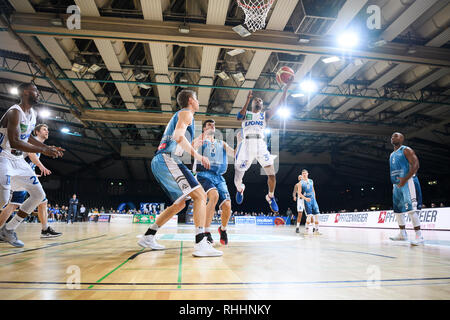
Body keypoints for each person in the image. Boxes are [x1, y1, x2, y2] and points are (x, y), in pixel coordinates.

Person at [138, 89, 222, 257]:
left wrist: (196, 143)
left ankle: (148, 235)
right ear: (191, 100)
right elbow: (178, 136)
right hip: (167, 160)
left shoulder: (182, 115)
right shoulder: (186, 113)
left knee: (180, 204)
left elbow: (179, 141)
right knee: (200, 196)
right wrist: (197, 155)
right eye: (197, 99)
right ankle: (201, 243)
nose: (198, 102)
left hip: (162, 160)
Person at [0, 82, 64, 247]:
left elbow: (27, 136)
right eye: (35, 90)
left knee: (38, 195)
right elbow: (14, 142)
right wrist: (43, 151)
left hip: (18, 161)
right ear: (24, 93)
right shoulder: (15, 112)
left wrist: (46, 147)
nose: (38, 94)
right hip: (4, 157)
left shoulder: (33, 114)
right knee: (3, 200)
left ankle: (8, 229)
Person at [234, 78, 293, 213]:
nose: (259, 101)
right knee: (238, 178)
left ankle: (270, 196)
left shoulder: (265, 115)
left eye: (260, 100)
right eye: (257, 100)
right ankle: (240, 189)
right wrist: (247, 100)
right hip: (246, 145)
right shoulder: (247, 114)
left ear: (262, 105)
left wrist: (286, 87)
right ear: (252, 103)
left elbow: (280, 105)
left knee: (272, 175)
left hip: (260, 144)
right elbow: (238, 117)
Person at [0, 124, 62, 238]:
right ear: (37, 132)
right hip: (18, 175)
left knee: (14, 205)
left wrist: (32, 173)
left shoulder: (38, 144)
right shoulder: (33, 142)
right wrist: (41, 166)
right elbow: (30, 153)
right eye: (44, 129)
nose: (47, 131)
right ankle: (44, 229)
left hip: (22, 176)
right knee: (41, 200)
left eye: (47, 129)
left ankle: (5, 230)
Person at [192, 119, 235, 245]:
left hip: (218, 176)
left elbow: (234, 153)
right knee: (214, 195)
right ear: (204, 128)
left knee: (227, 205)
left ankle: (223, 229)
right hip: (203, 174)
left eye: (213, 125)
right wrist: (203, 136)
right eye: (209, 125)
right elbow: (192, 147)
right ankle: (206, 231)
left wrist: (243, 143)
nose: (212, 126)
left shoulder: (221, 143)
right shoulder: (201, 140)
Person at [388, 132, 424, 246]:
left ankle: (419, 236)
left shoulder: (406, 150)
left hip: (408, 182)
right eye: (392, 136)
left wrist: (405, 179)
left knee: (411, 210)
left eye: (396, 135)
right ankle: (402, 234)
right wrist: (395, 184)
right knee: (398, 211)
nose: (393, 137)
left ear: (402, 139)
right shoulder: (391, 154)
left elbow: (416, 165)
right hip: (397, 185)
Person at [298, 169, 321, 235]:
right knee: (309, 215)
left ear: (307, 173)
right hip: (307, 200)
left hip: (313, 200)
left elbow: (313, 190)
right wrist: (305, 198)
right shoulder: (300, 183)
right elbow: (299, 193)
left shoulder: (311, 181)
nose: (304, 174)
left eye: (305, 173)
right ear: (302, 175)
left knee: (316, 215)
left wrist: (315, 199)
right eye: (303, 174)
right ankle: (306, 231)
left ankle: (317, 230)